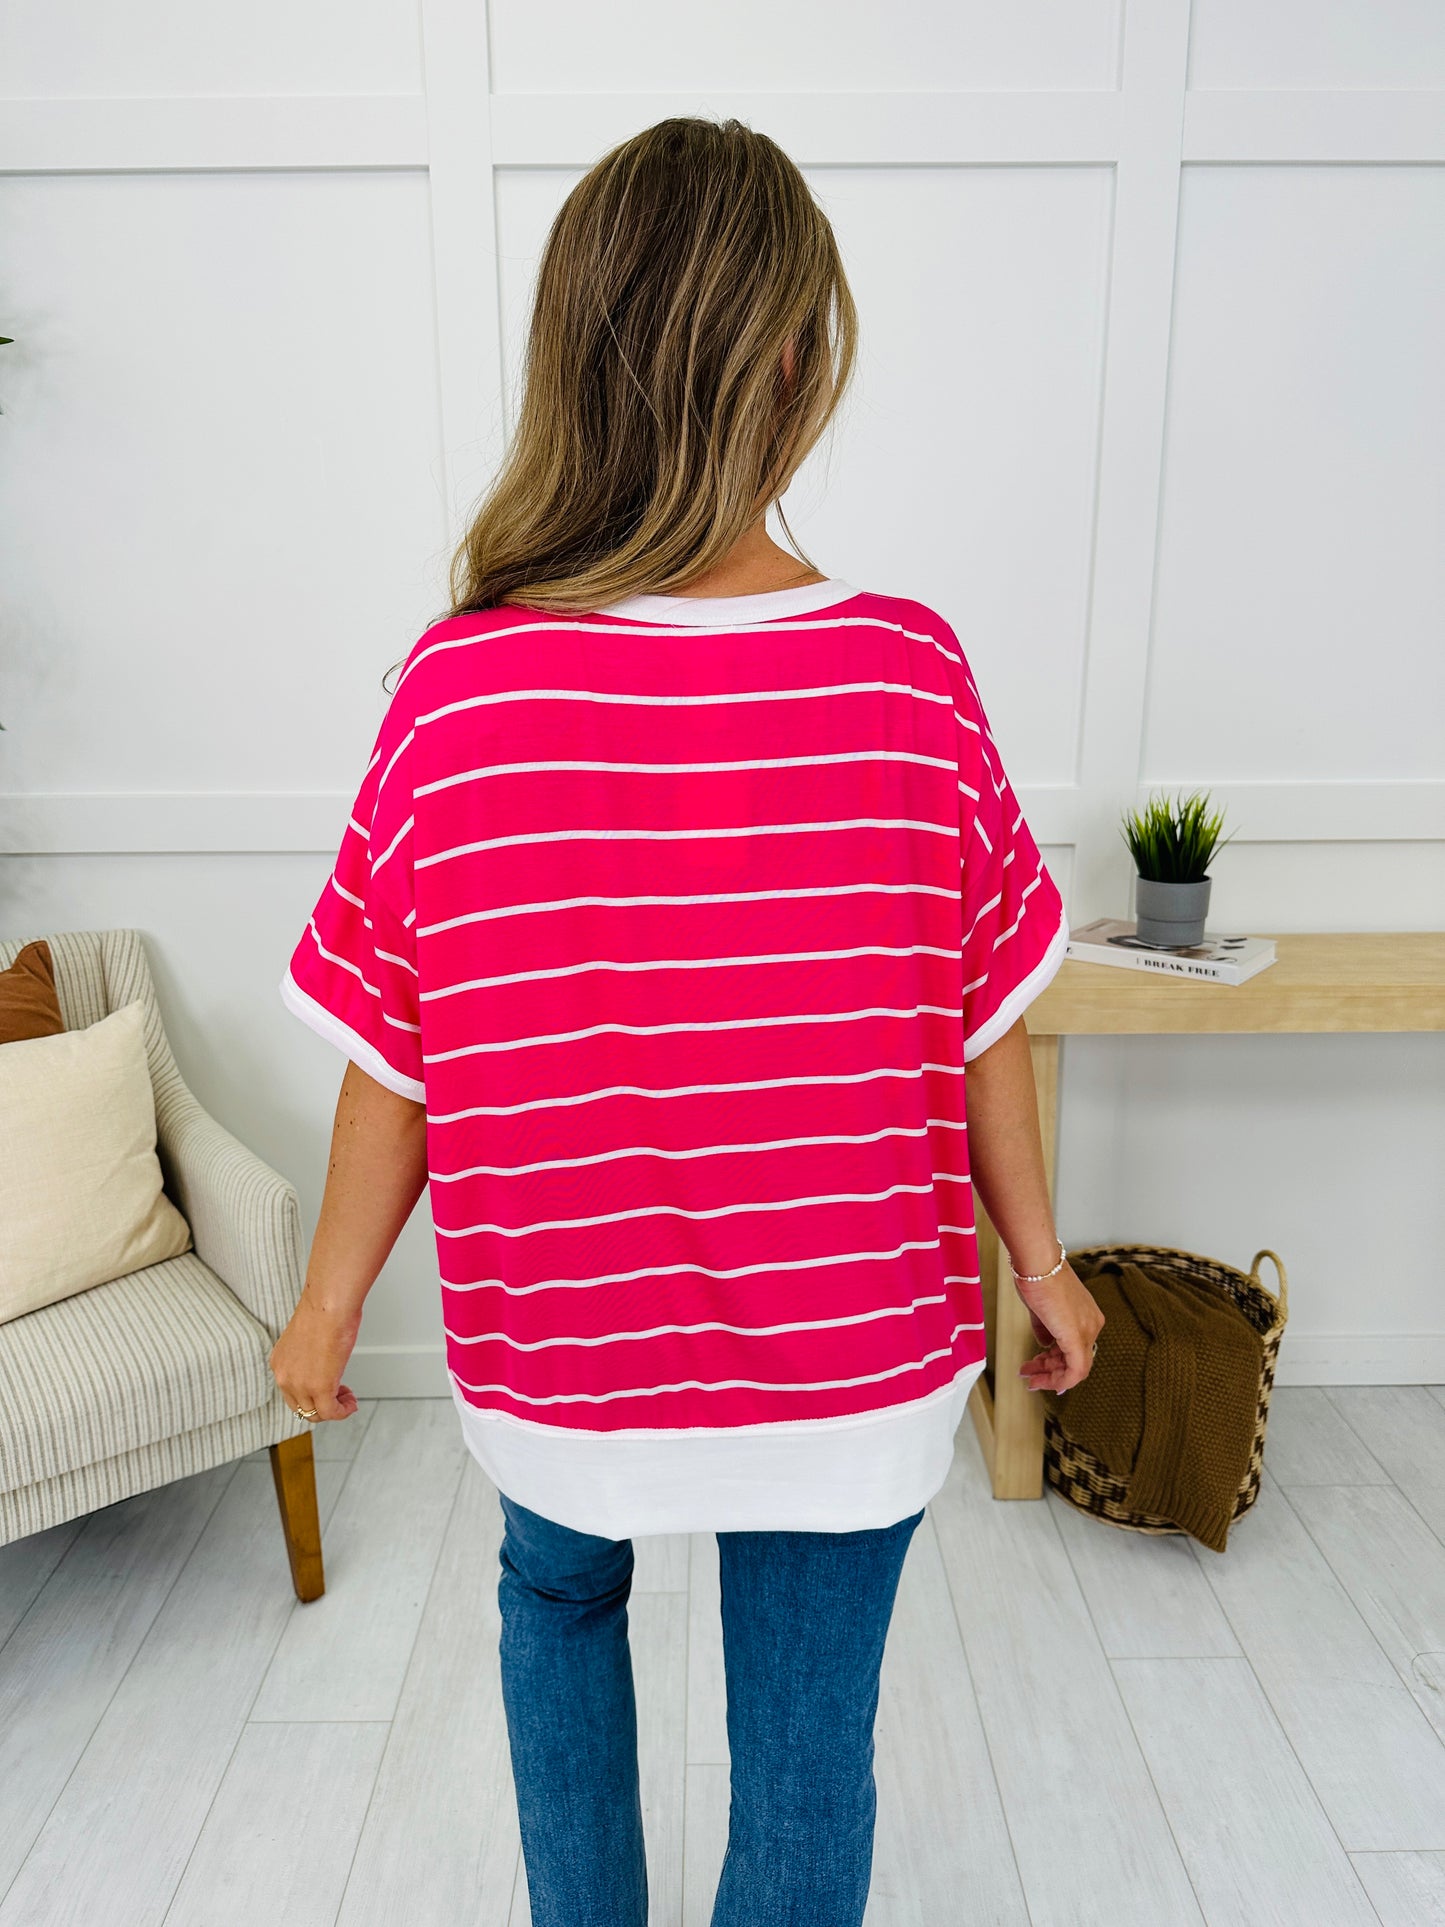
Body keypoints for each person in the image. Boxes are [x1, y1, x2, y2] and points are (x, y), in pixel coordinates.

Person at [270, 115, 1104, 1927]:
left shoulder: (461, 689)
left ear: (575, 358)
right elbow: (985, 1022)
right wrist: (1038, 1263)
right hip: (849, 1352)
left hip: (565, 1348)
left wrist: (326, 1303)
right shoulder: (904, 675)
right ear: (791, 363)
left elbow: (392, 1056)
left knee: (555, 1606)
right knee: (808, 1754)